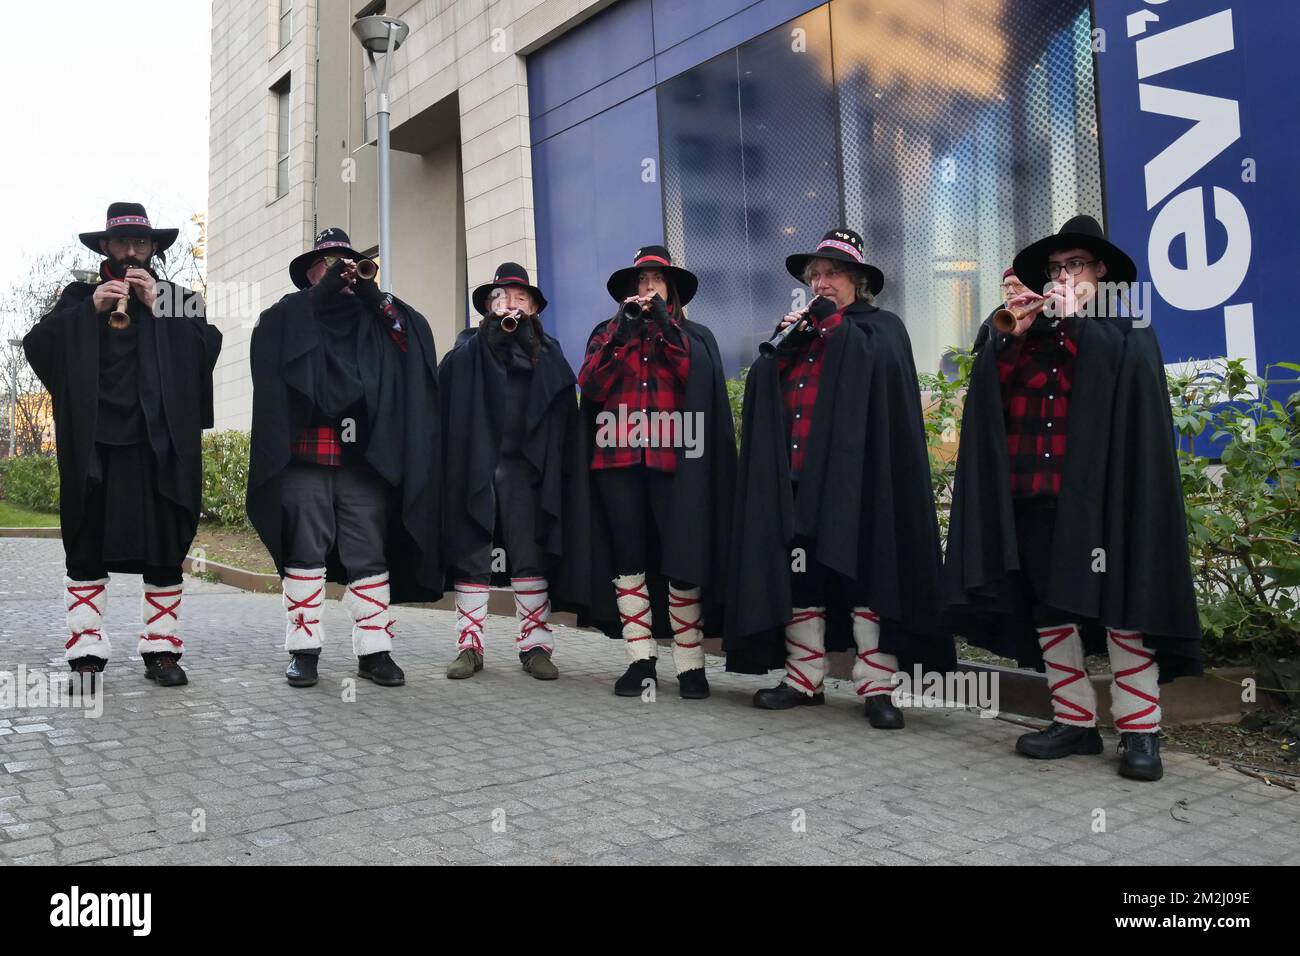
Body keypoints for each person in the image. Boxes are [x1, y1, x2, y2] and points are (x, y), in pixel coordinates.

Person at [942, 215, 1202, 781]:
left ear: (1100, 270)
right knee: (1051, 611)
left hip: (1106, 503)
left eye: (1075, 265)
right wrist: (1009, 337)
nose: (1064, 275)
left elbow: (1123, 392)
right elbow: (992, 395)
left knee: (1121, 613)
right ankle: (1074, 723)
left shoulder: (1127, 327)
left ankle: (1140, 730)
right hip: (1034, 497)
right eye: (1056, 268)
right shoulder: (1024, 332)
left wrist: (1072, 319)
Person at [725, 228, 955, 726]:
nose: (822, 283)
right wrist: (781, 349)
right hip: (797, 479)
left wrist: (832, 326)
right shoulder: (801, 332)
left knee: (866, 578)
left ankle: (876, 687)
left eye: (832, 274)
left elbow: (875, 368)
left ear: (856, 281)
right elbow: (766, 388)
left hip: (862, 484)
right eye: (816, 276)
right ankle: (804, 678)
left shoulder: (882, 328)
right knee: (803, 576)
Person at [24, 202, 221, 687]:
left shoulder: (177, 297)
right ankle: (87, 652)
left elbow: (207, 350)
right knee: (87, 544)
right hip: (96, 445)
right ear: (105, 248)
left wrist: (161, 309)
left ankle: (162, 651)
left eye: (141, 243)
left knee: (163, 547)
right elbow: (37, 347)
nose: (132, 251)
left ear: (154, 248)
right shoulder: (78, 296)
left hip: (160, 445)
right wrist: (88, 313)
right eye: (122, 243)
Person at [246, 228, 443, 688]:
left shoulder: (378, 317)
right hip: (307, 457)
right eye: (327, 264)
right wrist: (324, 293)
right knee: (305, 551)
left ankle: (374, 651)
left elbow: (410, 342)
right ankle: (304, 651)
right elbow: (270, 341)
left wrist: (371, 293)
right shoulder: (291, 314)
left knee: (368, 552)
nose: (339, 270)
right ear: (311, 274)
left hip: (364, 461)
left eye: (346, 262)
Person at [578, 246, 736, 698]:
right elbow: (590, 385)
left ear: (671, 290)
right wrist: (622, 335)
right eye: (641, 281)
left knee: (681, 560)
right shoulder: (606, 334)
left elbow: (696, 378)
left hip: (675, 464)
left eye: (656, 280)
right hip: (617, 462)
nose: (647, 287)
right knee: (628, 561)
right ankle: (639, 660)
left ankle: (690, 663)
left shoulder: (694, 335)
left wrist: (666, 326)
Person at [440, 263, 590, 681]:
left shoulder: (549, 349)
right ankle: (469, 646)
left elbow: (563, 400)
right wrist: (490, 338)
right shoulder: (470, 344)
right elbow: (449, 380)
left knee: (529, 554)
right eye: (502, 297)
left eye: (520, 298)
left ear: (535, 307)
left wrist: (529, 344)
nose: (512, 304)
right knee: (473, 554)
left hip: (525, 471)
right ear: (487, 307)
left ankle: (535, 645)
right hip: (478, 467)